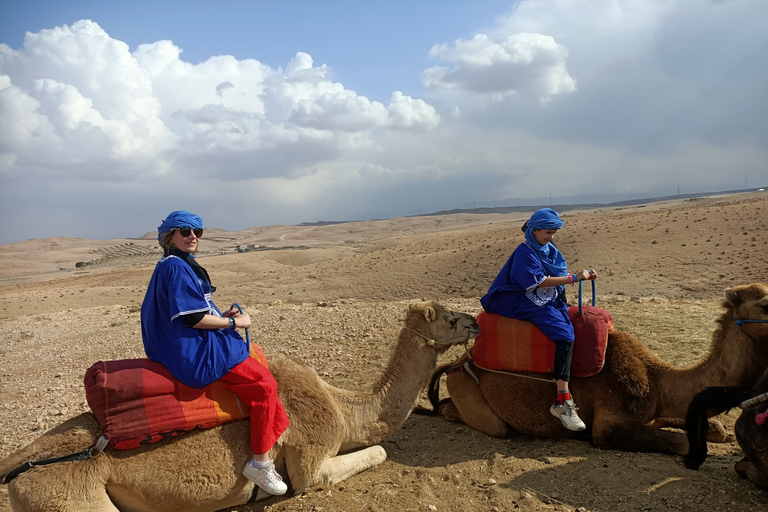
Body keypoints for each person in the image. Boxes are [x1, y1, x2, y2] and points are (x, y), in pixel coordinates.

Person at [140, 210, 291, 495]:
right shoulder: (174, 267)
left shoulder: (178, 264)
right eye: (185, 231)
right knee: (265, 387)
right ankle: (260, 463)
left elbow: (195, 311)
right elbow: (192, 319)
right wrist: (234, 322)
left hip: (190, 339)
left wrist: (221, 315)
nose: (193, 236)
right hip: (194, 350)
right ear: (170, 236)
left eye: (197, 231)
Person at [480, 208, 597, 431]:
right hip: (526, 301)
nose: (551, 236)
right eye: (548, 232)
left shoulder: (548, 249)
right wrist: (574, 277)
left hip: (548, 299)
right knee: (565, 336)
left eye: (553, 232)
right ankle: (562, 401)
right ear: (534, 231)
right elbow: (537, 282)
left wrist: (583, 276)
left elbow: (555, 279)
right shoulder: (524, 252)